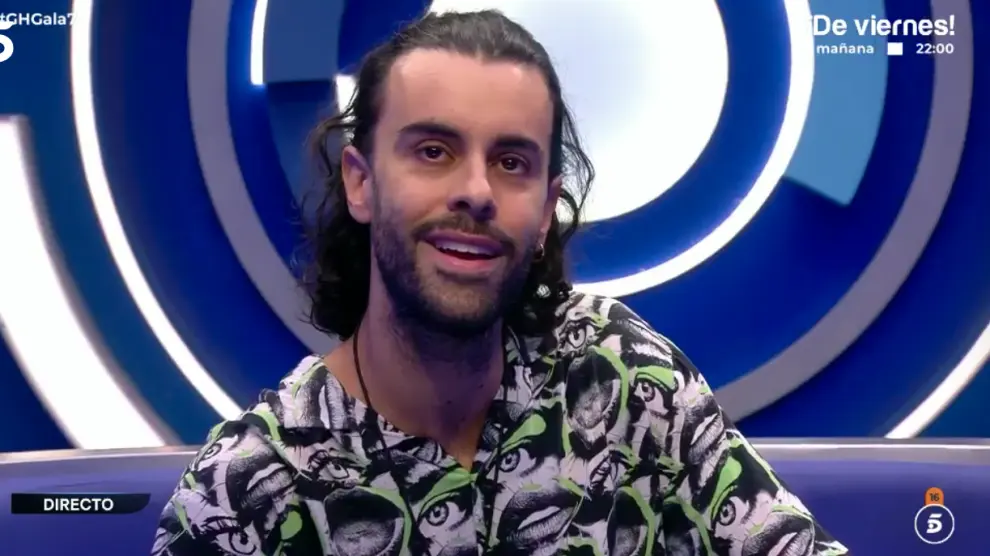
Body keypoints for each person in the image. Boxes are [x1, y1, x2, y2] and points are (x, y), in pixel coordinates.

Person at [151, 9, 849, 556]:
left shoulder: (622, 376)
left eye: (512, 163)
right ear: (360, 183)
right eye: (434, 151)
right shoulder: (250, 487)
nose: (477, 192)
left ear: (546, 213)